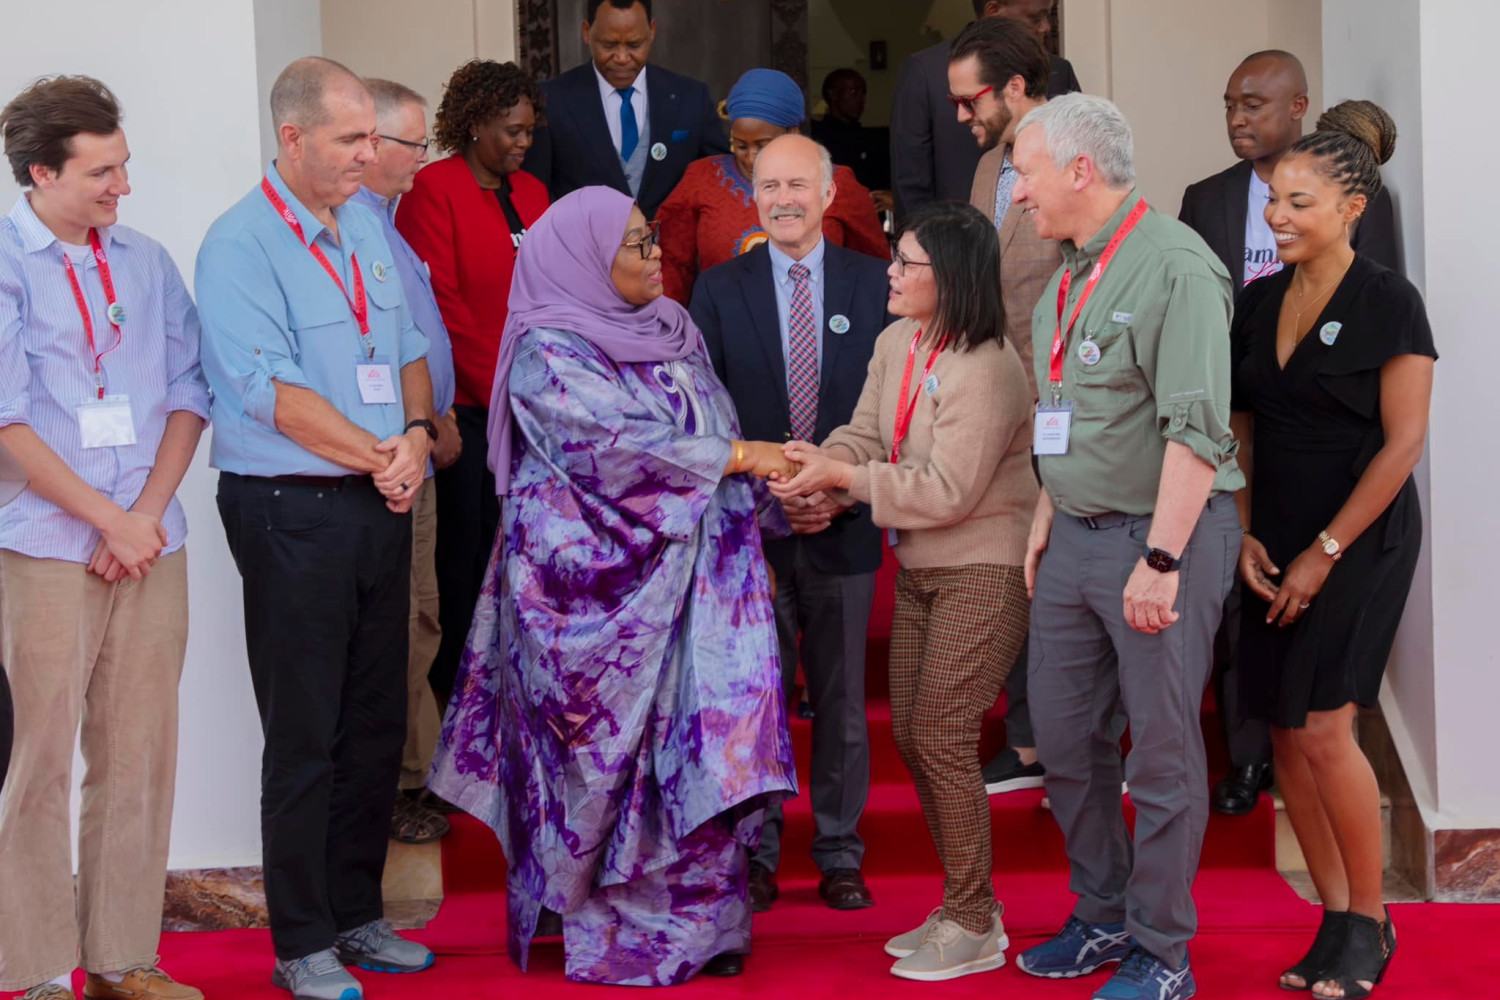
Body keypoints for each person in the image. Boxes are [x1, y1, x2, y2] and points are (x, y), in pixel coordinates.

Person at [426, 186, 797, 985]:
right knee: (607, 766)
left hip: (699, 594)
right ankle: (618, 936)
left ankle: (706, 930)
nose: (656, 253)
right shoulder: (546, 349)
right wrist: (739, 459)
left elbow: (710, 429)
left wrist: (779, 487)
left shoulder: (672, 330)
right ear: (587, 258)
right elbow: (613, 446)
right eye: (636, 243)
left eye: (653, 237)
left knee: (700, 749)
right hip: (590, 599)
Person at [196, 57, 436, 1000]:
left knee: (377, 722)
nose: (369, 155)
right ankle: (302, 940)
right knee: (306, 734)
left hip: (381, 496)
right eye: (351, 140)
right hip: (293, 510)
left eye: (373, 138)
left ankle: (357, 915)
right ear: (292, 139)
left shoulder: (367, 225)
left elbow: (410, 353)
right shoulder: (239, 245)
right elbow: (273, 399)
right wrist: (382, 455)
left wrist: (414, 434)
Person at [1010, 94, 1242, 1000]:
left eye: (1026, 172)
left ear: (1079, 169)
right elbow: (1066, 411)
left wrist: (1162, 560)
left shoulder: (1175, 266)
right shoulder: (1072, 268)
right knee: (1064, 740)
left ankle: (1162, 948)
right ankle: (1103, 913)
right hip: (1072, 537)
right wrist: (1044, 517)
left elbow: (1197, 433)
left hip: (1159, 540)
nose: (1018, 192)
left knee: (1161, 756)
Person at [771, 200, 1038, 982]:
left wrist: (844, 481)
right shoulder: (899, 341)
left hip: (983, 566)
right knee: (918, 738)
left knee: (945, 737)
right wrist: (817, 465)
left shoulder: (988, 365)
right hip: (923, 568)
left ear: (949, 278)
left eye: (906, 263)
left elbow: (951, 489)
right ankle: (963, 904)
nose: (889, 271)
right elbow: (863, 433)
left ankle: (975, 918)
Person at [0, 74, 209, 1000]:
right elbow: (5, 423)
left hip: (149, 540)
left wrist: (144, 518)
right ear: (39, 173)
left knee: (139, 754)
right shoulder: (5, 266)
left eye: (123, 167)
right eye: (99, 173)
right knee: (36, 761)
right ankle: (41, 968)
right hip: (44, 545)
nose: (121, 188)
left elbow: (186, 391)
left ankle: (126, 956)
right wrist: (107, 519)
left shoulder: (147, 261)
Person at [1231, 101, 1432, 1000]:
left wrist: (1324, 551)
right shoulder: (1259, 298)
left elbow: (1403, 444)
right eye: (1275, 200)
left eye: (1299, 202)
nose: (1278, 217)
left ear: (1351, 208)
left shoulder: (1389, 300)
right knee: (1281, 731)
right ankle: (1331, 914)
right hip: (1271, 535)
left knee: (1324, 723)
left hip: (1361, 538)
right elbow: (1240, 425)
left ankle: (1370, 923)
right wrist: (1241, 532)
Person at [689, 134, 891, 913]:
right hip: (752, 532)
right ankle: (760, 854)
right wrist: (772, 493)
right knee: (756, 702)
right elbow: (705, 411)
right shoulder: (717, 288)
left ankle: (840, 851)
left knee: (842, 703)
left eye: (796, 185)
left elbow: (891, 411)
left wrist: (836, 490)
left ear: (831, 193)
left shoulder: (876, 285)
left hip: (843, 521)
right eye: (767, 185)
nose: (781, 199)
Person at [395, 60, 549, 708]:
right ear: (476, 123)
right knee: (466, 570)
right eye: (511, 131)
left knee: (527, 565)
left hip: (537, 411)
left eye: (528, 132)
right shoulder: (433, 190)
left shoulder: (536, 193)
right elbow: (443, 313)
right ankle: (461, 710)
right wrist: (509, 393)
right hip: (474, 413)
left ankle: (518, 697)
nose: (522, 143)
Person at [949, 12, 1063, 797]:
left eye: (971, 99)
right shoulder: (990, 165)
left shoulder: (1078, 154)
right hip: (999, 398)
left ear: (1016, 86)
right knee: (1015, 567)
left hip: (1068, 400)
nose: (961, 115)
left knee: (1063, 576)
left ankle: (1073, 743)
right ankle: (1028, 737)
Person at [350, 78, 460, 845]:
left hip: (419, 444)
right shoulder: (352, 228)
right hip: (389, 459)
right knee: (402, 623)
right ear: (372, 143)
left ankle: (414, 776)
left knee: (422, 615)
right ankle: (393, 787)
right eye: (412, 144)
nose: (422, 162)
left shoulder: (384, 222)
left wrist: (435, 413)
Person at [656, 68, 887, 305]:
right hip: (723, 330)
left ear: (793, 132)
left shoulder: (835, 184)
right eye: (740, 146)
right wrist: (672, 325)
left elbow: (874, 266)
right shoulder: (703, 178)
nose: (751, 158)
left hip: (820, 328)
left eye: (763, 145)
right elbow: (672, 263)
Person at [1180, 50, 1399, 285]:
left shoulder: (1356, 195)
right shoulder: (1203, 199)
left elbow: (1378, 300)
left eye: (1252, 106)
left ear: (1298, 106)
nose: (1236, 120)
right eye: (1230, 107)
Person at [523, 0, 728, 219]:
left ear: (652, 31)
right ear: (586, 32)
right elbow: (534, 193)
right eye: (609, 45)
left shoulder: (691, 97)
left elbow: (722, 181)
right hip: (585, 251)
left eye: (634, 45)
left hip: (672, 250)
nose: (622, 58)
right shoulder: (552, 100)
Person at [891, 0, 1080, 222]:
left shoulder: (1059, 70)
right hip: (952, 243)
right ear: (993, 11)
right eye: (1035, 17)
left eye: (1047, 15)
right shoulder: (924, 72)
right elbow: (910, 187)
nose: (1046, 27)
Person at [810, 68, 892, 203]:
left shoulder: (873, 140)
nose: (861, 100)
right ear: (833, 94)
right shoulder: (816, 136)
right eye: (854, 92)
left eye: (863, 94)